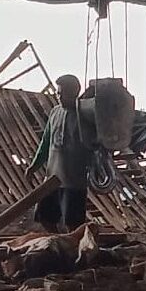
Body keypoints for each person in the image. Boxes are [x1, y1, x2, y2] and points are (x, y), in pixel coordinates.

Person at [26, 74, 93, 233]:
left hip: (74, 181)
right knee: (44, 217)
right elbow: (46, 142)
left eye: (63, 93)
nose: (60, 97)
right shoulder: (55, 113)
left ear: (75, 92)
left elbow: (95, 148)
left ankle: (73, 244)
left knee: (73, 223)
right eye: (58, 93)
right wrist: (34, 166)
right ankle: (59, 241)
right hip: (52, 179)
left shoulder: (84, 116)